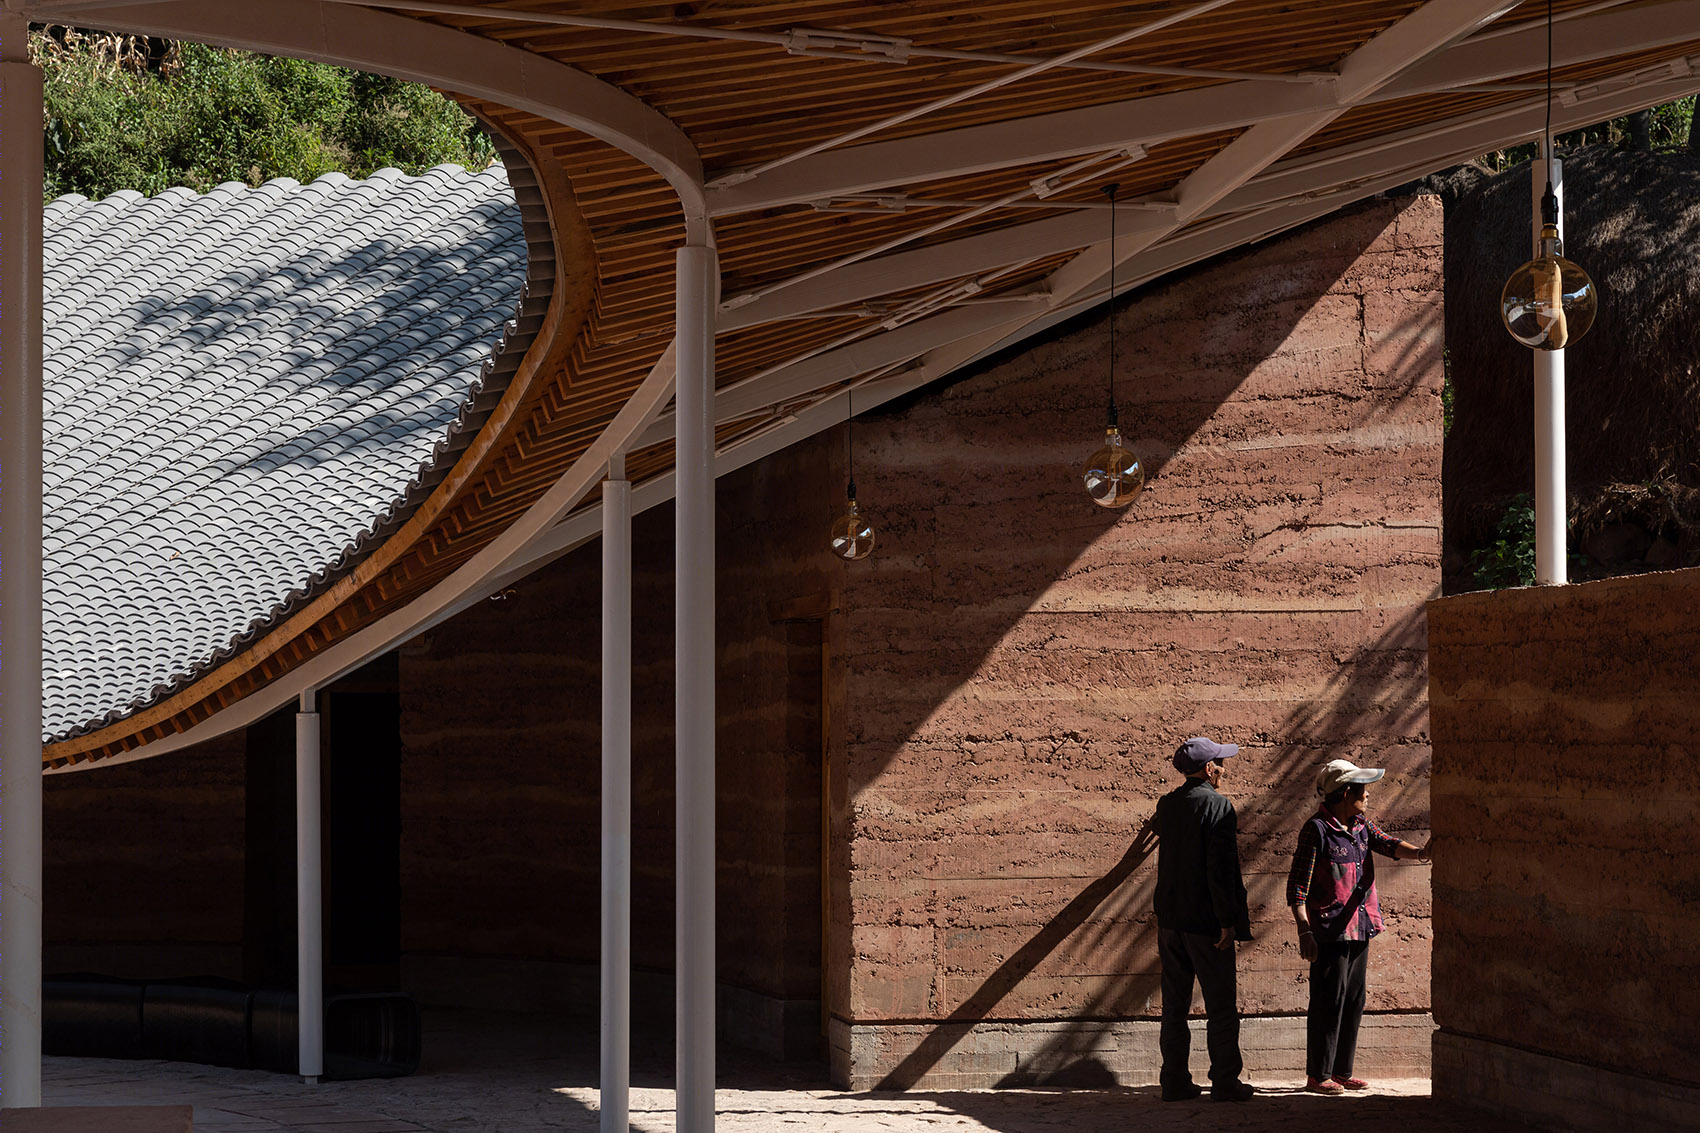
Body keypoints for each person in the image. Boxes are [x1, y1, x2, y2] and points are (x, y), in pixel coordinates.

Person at [1287, 758, 1433, 1095]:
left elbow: (1388, 844)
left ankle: (1341, 1071)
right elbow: (1297, 887)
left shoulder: (1361, 826)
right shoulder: (1317, 829)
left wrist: (1423, 853)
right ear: (1343, 793)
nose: (1366, 795)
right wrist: (1304, 930)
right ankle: (1318, 1074)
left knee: (1353, 998)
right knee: (1328, 999)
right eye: (1360, 789)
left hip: (1360, 926)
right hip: (1328, 931)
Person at [1152, 736, 1255, 1103]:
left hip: (1170, 922)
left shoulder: (1168, 805)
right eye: (1221, 765)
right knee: (1221, 1005)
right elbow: (1221, 870)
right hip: (1206, 923)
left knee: (1174, 1006)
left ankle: (1174, 1080)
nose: (1224, 770)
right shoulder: (1219, 807)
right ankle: (1225, 1081)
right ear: (1209, 769)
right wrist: (1228, 921)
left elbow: (1158, 830)